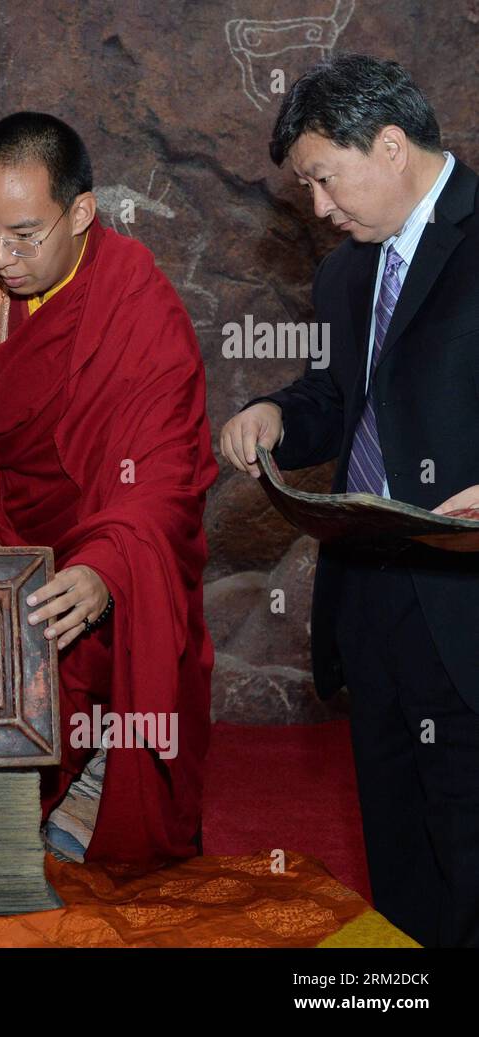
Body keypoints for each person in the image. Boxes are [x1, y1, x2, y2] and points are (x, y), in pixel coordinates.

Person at [220, 54, 479, 947]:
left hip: (467, 604)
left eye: (325, 179)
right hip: (370, 598)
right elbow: (340, 398)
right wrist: (274, 416)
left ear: (393, 145)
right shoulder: (346, 273)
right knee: (398, 852)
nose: (320, 208)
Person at [0, 112, 217, 872]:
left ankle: (105, 762)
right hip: (21, 524)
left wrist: (106, 568)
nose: (1, 257)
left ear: (81, 213)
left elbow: (164, 478)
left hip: (111, 526)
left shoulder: (140, 308)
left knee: (128, 635)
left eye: (24, 235)